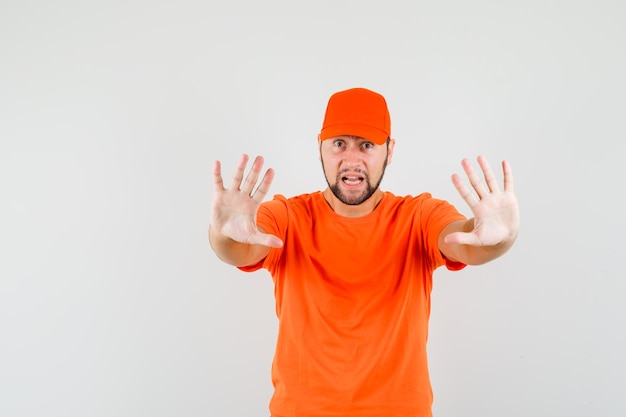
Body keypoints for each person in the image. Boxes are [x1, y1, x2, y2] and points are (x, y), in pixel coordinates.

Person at [209, 87, 520, 417]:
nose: (352, 159)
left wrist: (499, 239)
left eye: (367, 145)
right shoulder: (288, 217)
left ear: (390, 150)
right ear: (321, 148)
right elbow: (240, 249)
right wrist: (223, 234)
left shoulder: (419, 216)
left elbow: (465, 244)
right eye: (339, 144)